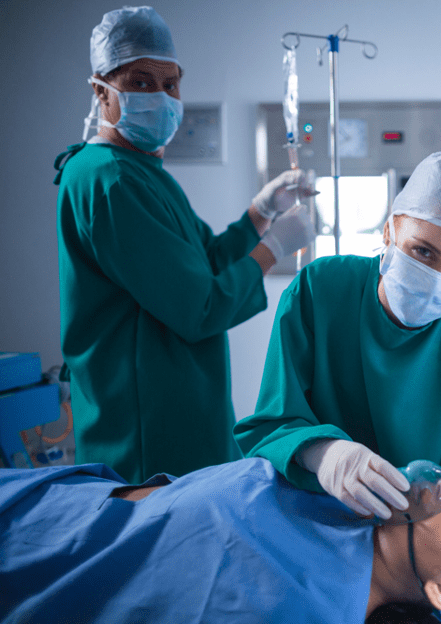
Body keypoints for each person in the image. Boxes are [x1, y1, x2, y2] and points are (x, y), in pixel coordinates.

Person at [54, 6, 316, 483]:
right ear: (100, 90)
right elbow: (200, 308)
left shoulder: (140, 170)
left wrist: (262, 212)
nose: (161, 95)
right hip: (145, 430)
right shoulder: (110, 182)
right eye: (139, 82)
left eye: (170, 83)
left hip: (177, 408)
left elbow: (204, 262)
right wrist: (273, 249)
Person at [235, 150, 441, 521]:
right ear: (390, 230)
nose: (438, 279)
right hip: (317, 517)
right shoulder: (321, 291)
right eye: (423, 252)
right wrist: (324, 453)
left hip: (428, 531)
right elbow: (275, 419)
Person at [0, 458, 441, 624]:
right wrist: (315, 450)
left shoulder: (310, 607)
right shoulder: (349, 510)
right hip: (60, 501)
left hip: (41, 561)